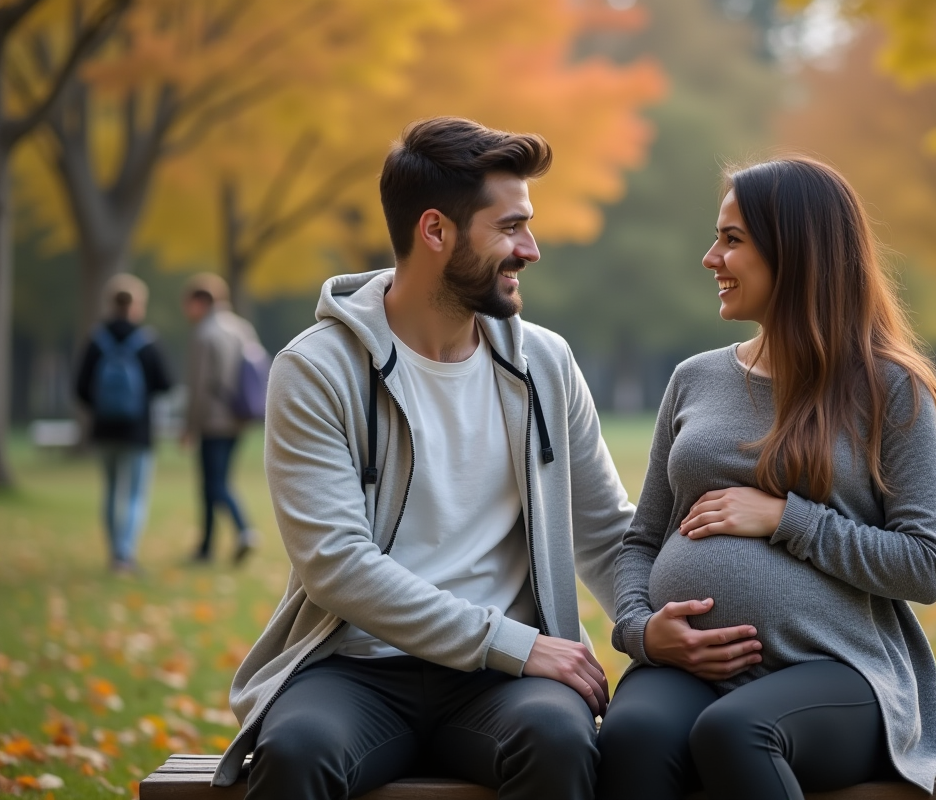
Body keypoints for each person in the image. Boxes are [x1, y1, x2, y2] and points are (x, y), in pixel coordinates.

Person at [209, 117, 635, 800]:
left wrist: (649, 624)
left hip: (504, 683)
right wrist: (514, 642)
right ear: (435, 231)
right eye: (510, 227)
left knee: (559, 739)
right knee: (295, 754)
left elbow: (608, 532)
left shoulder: (545, 363)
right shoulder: (316, 369)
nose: (530, 249)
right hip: (355, 668)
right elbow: (336, 563)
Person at [598, 157, 936, 800]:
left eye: (732, 240)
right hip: (687, 671)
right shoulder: (694, 378)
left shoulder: (890, 388)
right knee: (630, 738)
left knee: (736, 733)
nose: (711, 258)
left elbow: (924, 565)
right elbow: (643, 539)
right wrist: (641, 631)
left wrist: (785, 518)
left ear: (797, 254)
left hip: (839, 671)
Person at [75, 273, 173, 574]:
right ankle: (125, 555)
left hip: (104, 430)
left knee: (110, 491)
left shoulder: (96, 340)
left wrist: (102, 407)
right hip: (137, 432)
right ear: (137, 305)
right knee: (134, 495)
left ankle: (112, 551)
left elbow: (80, 388)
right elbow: (165, 383)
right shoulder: (145, 342)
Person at [181, 273, 261, 564]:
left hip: (213, 420)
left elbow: (200, 386)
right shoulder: (242, 328)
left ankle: (244, 530)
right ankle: (205, 547)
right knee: (218, 481)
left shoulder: (204, 334)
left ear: (200, 302)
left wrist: (190, 425)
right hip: (239, 417)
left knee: (213, 484)